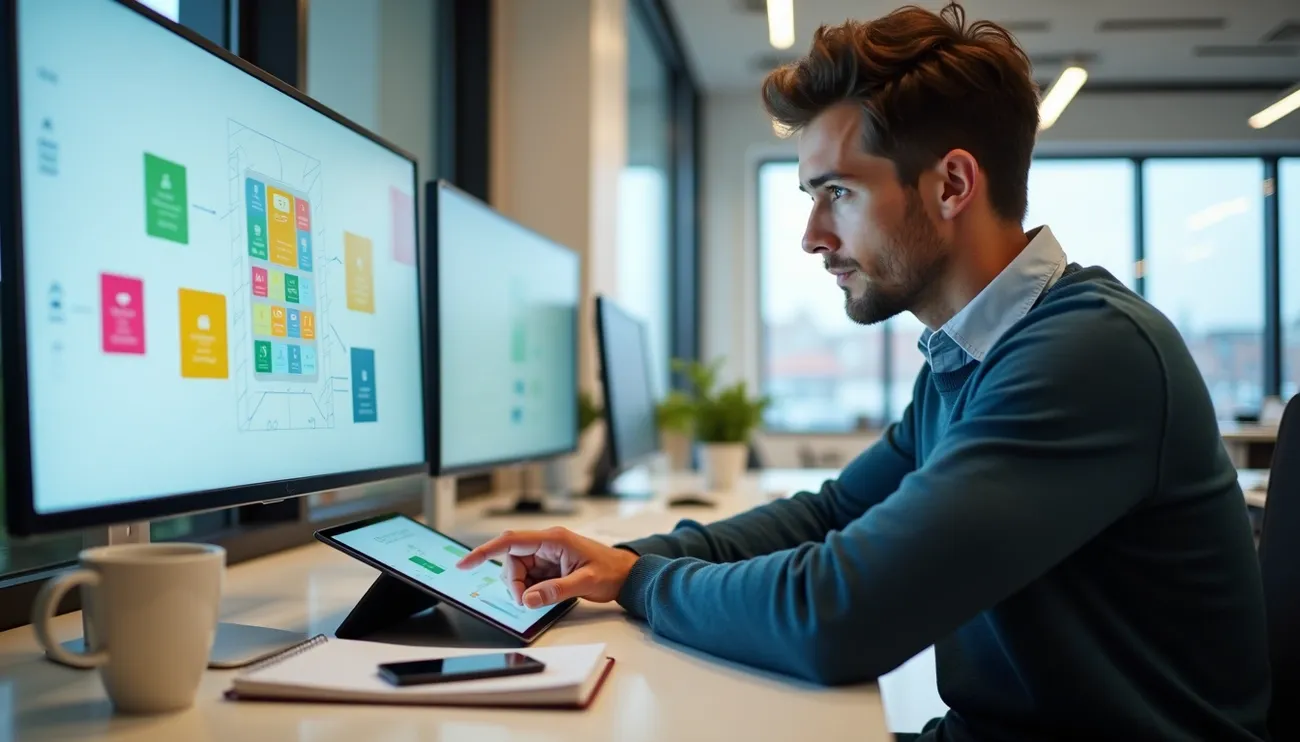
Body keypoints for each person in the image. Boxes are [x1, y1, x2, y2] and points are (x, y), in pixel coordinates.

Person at [457, 3, 1272, 739]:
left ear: (952, 184)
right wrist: (612, 560)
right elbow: (832, 516)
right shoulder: (969, 356)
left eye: (837, 192)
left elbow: (837, 618)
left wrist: (641, 583)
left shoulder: (1089, 355)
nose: (812, 236)